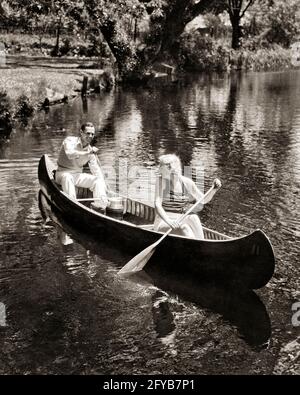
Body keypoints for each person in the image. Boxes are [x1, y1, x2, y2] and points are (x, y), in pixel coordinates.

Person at [154, 154, 221, 239]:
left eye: (161, 167)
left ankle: (202, 244)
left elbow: (203, 200)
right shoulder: (160, 181)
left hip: (179, 218)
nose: (159, 170)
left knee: (194, 218)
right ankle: (197, 247)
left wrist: (214, 189)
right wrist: (169, 221)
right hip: (163, 221)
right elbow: (157, 204)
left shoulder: (187, 183)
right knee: (184, 228)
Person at [55, 122, 108, 210]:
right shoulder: (69, 141)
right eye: (88, 133)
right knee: (67, 177)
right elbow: (70, 154)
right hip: (62, 174)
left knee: (98, 181)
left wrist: (104, 186)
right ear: (81, 132)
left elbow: (96, 170)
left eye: (92, 134)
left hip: (77, 175)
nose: (90, 136)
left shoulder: (90, 151)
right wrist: (88, 153)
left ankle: (101, 206)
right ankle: (73, 206)